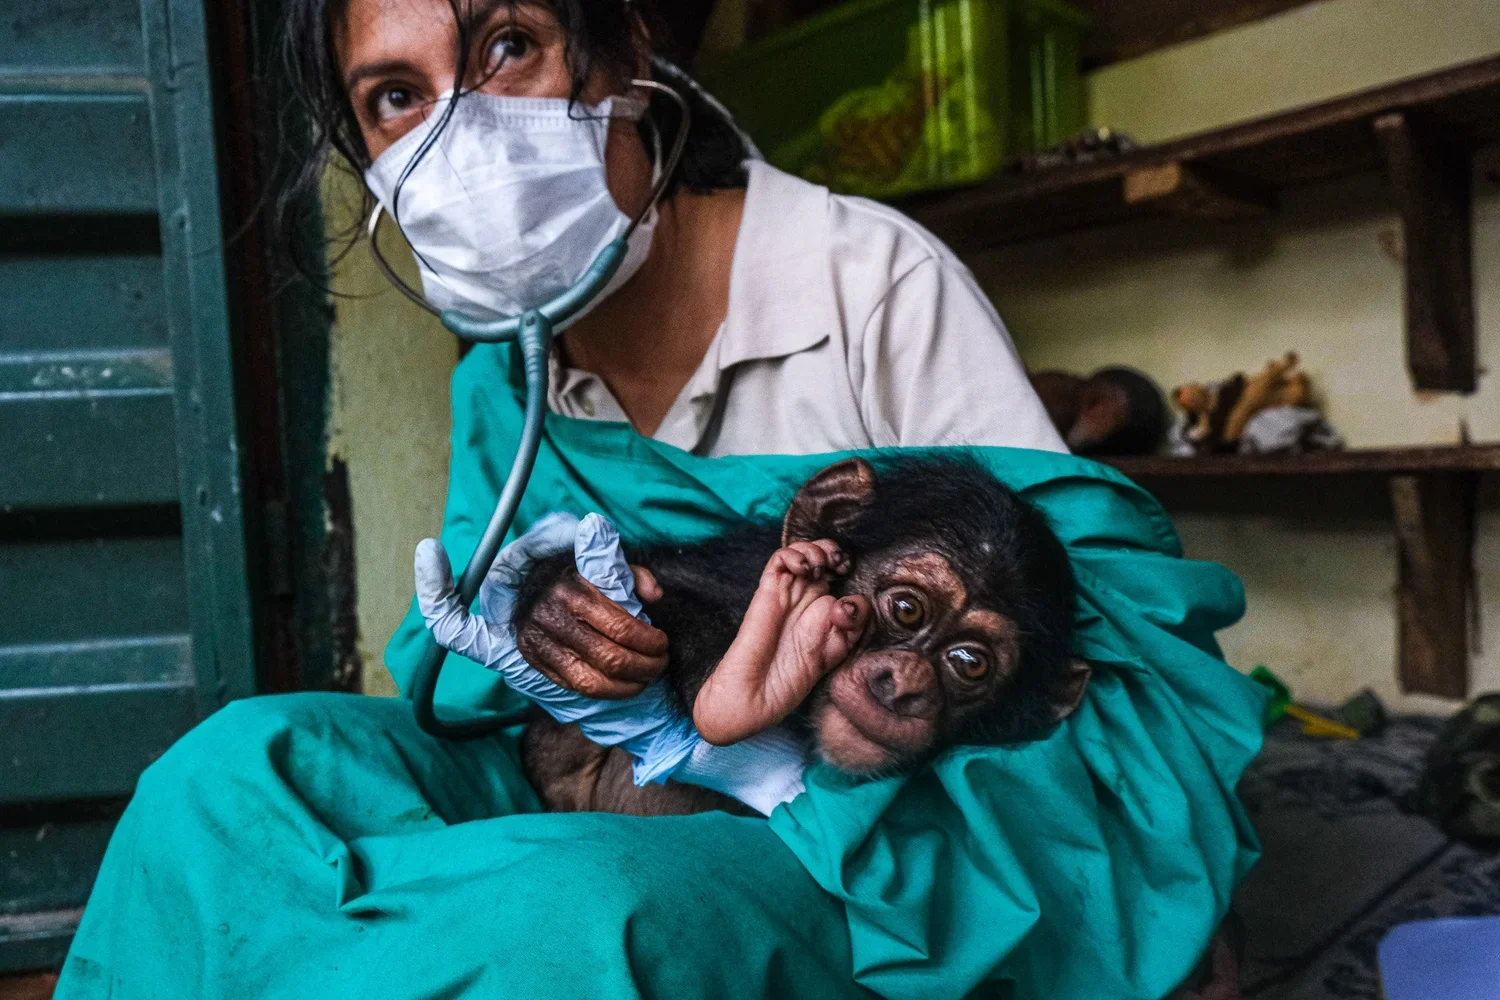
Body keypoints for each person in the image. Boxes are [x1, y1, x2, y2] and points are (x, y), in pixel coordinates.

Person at [56, 3, 1258, 997]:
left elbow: (1074, 637)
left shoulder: (869, 279)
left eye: (507, 46)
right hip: (593, 758)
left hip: (834, 826)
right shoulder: (503, 383)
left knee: (577, 908)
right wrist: (535, 620)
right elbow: (464, 684)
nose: (459, 130)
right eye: (397, 96)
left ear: (624, 57)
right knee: (228, 777)